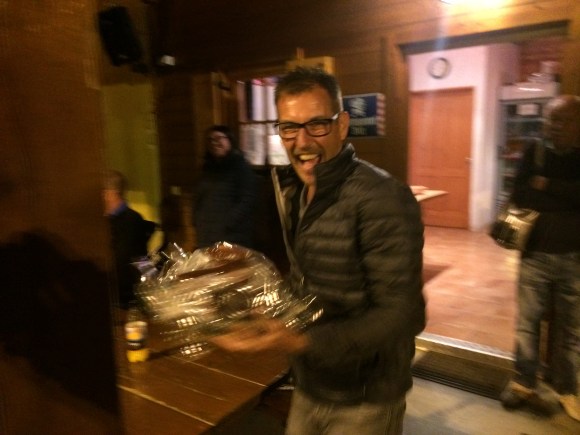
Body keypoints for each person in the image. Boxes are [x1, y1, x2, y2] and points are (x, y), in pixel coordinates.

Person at [211, 67, 426, 435]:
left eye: (317, 125)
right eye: (289, 127)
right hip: (310, 381)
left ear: (342, 126)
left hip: (366, 397)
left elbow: (404, 315)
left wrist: (301, 340)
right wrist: (259, 308)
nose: (302, 141)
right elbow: (311, 282)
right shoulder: (294, 191)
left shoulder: (382, 197)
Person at [500, 95, 580, 421]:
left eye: (563, 120)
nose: (554, 126)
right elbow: (521, 194)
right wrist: (566, 197)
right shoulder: (533, 151)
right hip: (533, 254)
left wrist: (546, 184)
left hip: (574, 257)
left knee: (572, 329)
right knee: (527, 323)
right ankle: (523, 382)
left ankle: (568, 388)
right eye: (551, 119)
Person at [193, 125, 257, 249]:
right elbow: (199, 196)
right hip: (206, 234)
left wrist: (227, 223)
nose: (214, 143)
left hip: (232, 236)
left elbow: (247, 199)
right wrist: (196, 220)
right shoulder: (206, 169)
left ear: (230, 140)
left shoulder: (240, 167)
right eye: (210, 140)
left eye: (218, 138)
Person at [103, 169, 153, 308]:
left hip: (125, 295)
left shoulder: (128, 221)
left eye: (103, 192)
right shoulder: (128, 219)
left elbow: (127, 258)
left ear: (111, 194)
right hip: (124, 292)